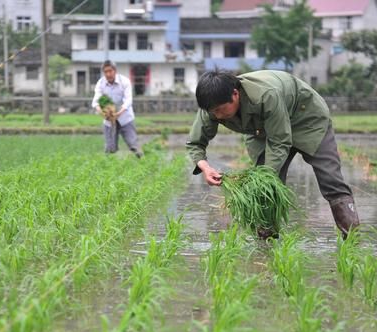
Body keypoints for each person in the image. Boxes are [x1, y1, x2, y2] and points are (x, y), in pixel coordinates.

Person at [186, 70, 359, 239]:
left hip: (306, 118)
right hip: (263, 129)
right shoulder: (212, 106)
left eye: (220, 109)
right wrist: (205, 167)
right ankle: (267, 243)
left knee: (330, 179)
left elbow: (280, 141)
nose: (217, 115)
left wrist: (264, 178)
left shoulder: (265, 95)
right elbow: (195, 143)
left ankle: (351, 241)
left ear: (235, 94)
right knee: (265, 190)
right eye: (213, 112)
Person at [92, 60, 143, 158]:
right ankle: (108, 168)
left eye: (110, 71)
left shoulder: (124, 81)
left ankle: (143, 162)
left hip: (125, 118)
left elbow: (128, 100)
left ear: (115, 71)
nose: (108, 74)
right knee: (110, 149)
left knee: (133, 145)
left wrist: (119, 113)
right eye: (105, 72)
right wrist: (102, 112)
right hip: (109, 120)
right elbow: (96, 101)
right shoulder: (101, 83)